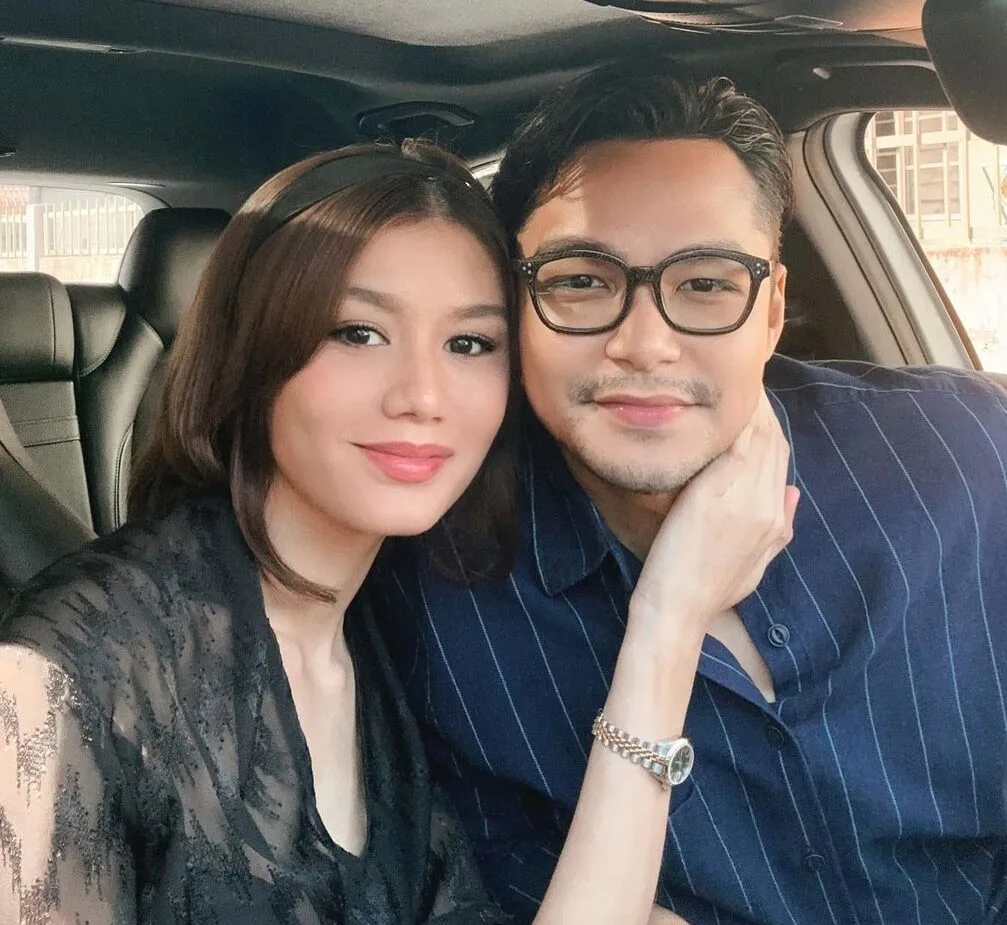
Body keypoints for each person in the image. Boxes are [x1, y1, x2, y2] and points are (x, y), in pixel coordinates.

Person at [0, 139, 791, 924]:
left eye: (469, 343)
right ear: (252, 346)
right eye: (359, 332)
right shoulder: (68, 671)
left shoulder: (391, 640)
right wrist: (667, 621)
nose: (423, 395)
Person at [370, 61, 1007, 924]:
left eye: (705, 283)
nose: (645, 345)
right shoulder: (439, 594)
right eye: (580, 280)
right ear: (516, 307)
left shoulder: (959, 451)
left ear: (771, 310)